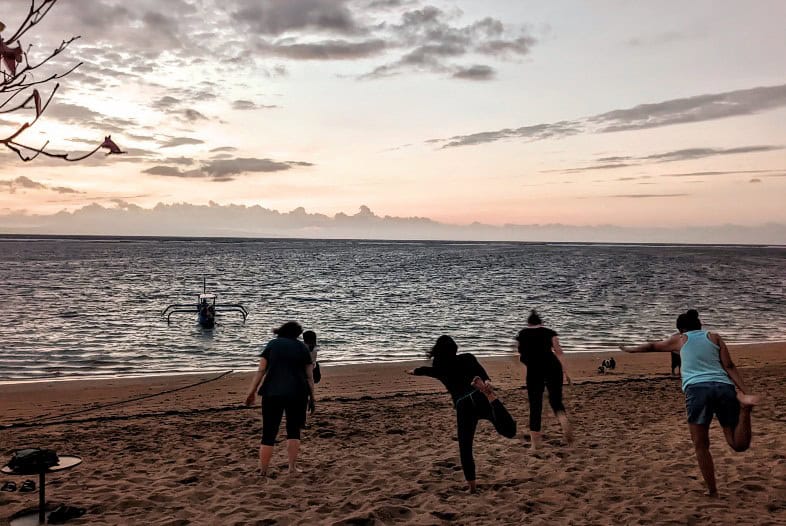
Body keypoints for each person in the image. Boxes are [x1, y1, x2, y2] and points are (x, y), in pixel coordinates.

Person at [619, 309, 760, 497]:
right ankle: (745, 410)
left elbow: (653, 346)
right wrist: (744, 391)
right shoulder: (715, 337)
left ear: (681, 330)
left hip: (697, 390)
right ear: (700, 326)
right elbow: (729, 366)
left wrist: (630, 349)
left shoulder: (680, 339)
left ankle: (712, 490)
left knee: (700, 444)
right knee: (737, 444)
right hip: (723, 387)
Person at [406, 335, 516, 493]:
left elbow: (422, 371)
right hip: (480, 397)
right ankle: (491, 396)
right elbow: (482, 374)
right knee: (509, 431)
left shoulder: (439, 369)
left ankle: (472, 488)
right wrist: (486, 383)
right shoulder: (468, 358)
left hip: (464, 406)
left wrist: (411, 371)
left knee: (465, 447)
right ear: (455, 348)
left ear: (438, 351)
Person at [245, 321, 315, 477]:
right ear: (297, 334)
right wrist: (313, 397)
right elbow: (309, 377)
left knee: (269, 432)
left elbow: (261, 370)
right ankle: (292, 468)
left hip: (272, 392)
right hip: (298, 393)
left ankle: (263, 470)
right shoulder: (302, 348)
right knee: (293, 430)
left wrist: (252, 391)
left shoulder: (272, 344)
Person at [515, 310, 573, 449]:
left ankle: (535, 445)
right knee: (556, 401)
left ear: (528, 323)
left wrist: (525, 360)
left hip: (534, 370)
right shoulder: (550, 332)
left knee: (535, 406)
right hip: (553, 367)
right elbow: (559, 351)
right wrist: (565, 372)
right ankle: (564, 423)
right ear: (541, 323)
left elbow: (519, 352)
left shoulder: (522, 334)